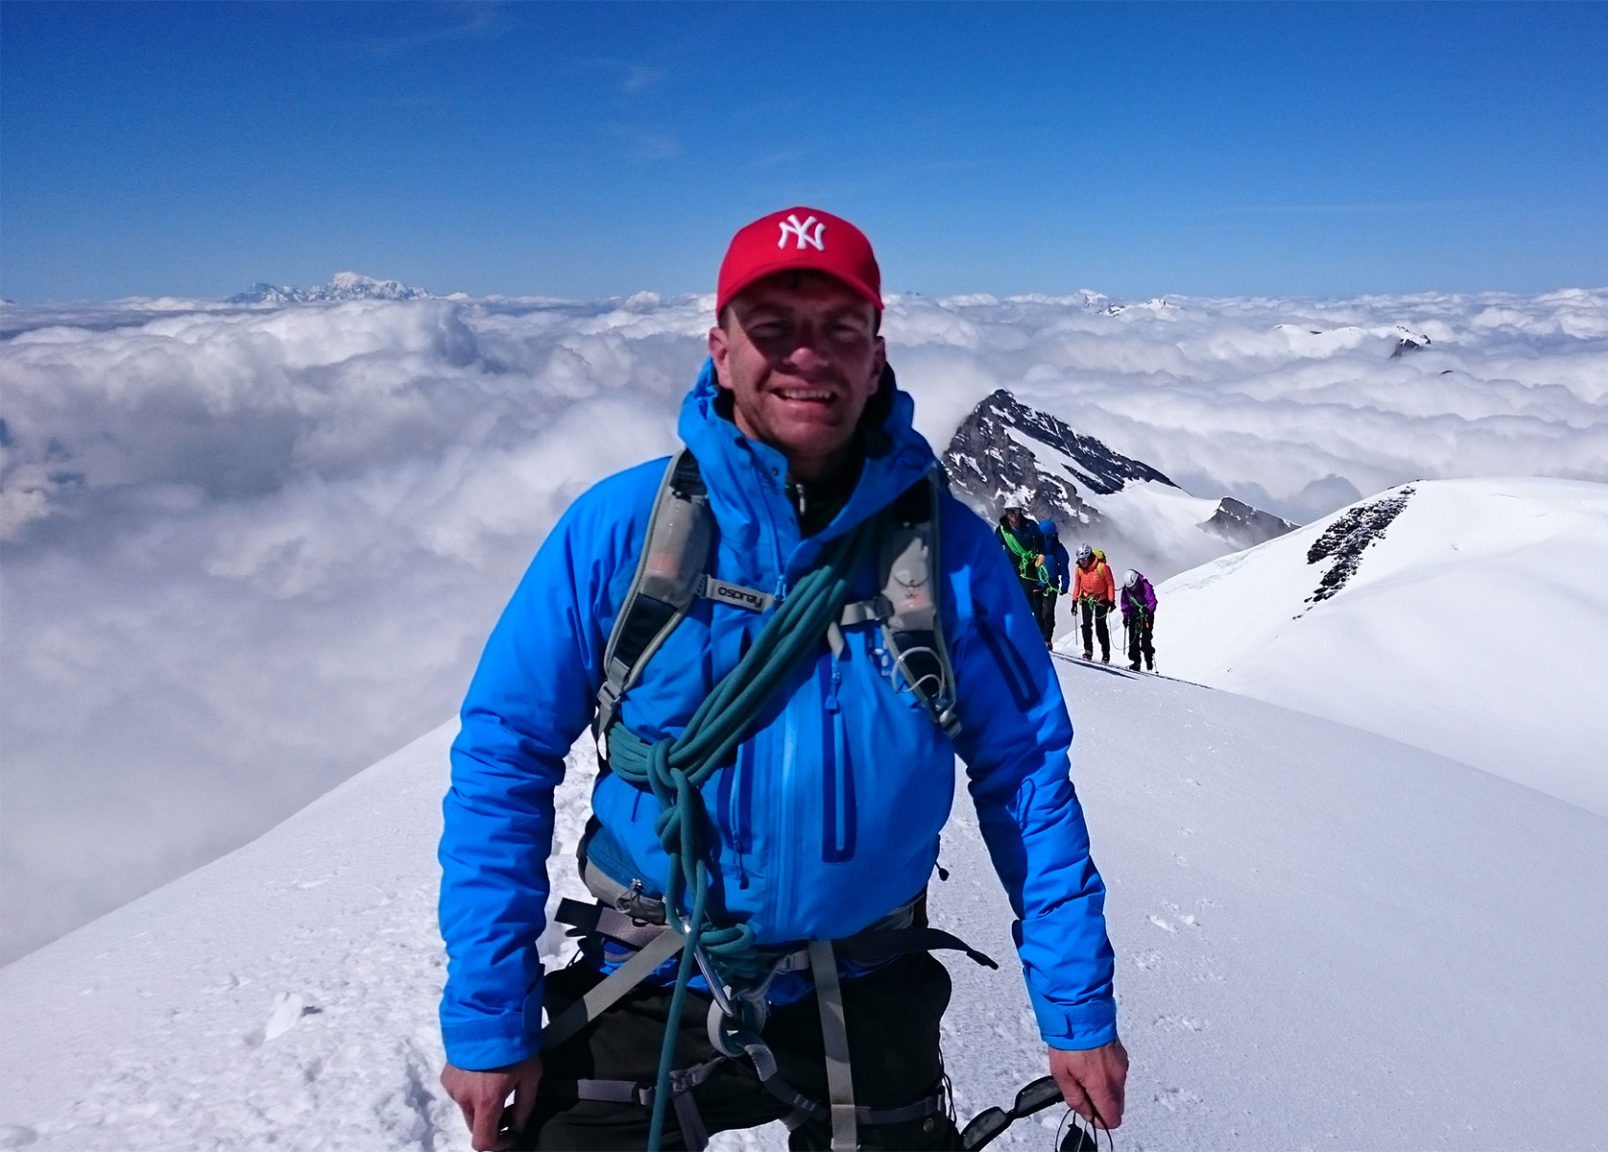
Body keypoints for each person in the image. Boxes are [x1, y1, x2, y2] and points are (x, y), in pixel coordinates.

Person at [438, 206, 1127, 1152]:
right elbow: (503, 757)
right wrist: (488, 1014)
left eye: (840, 328)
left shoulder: (953, 558)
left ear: (876, 355)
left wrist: (1076, 1005)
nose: (809, 354)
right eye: (775, 327)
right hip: (650, 971)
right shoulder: (621, 534)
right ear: (720, 351)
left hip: (866, 978)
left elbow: (1028, 778)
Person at [995, 507, 1055, 642]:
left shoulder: (1030, 526)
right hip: (1011, 568)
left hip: (1029, 569)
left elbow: (1041, 540)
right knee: (1012, 599)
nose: (1012, 515)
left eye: (1015, 511)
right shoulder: (1002, 530)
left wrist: (1041, 554)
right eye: (1009, 512)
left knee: (1029, 601)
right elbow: (995, 547)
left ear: (1020, 512)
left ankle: (1036, 635)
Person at [1070, 547, 1115, 663]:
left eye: (1084, 559)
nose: (1082, 562)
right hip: (1086, 597)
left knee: (1100, 627)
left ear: (1089, 557)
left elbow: (1110, 584)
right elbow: (1077, 585)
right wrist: (1074, 601)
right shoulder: (1079, 570)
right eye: (1080, 560)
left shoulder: (1102, 567)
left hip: (1102, 598)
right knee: (1086, 625)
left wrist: (1111, 600)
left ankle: (1105, 654)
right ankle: (1088, 650)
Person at [1035, 519, 1070, 648]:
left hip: (1051, 585)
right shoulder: (1036, 548)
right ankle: (1039, 636)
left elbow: (1064, 569)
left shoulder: (1058, 550)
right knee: (1037, 612)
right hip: (1036, 584)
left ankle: (1046, 638)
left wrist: (1065, 584)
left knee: (1047, 612)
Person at [1119, 570, 1156, 673]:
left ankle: (1149, 661)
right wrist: (1125, 617)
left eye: (1133, 586)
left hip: (1146, 615)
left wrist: (1148, 609)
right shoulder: (1126, 590)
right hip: (1134, 614)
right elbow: (1125, 603)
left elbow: (1152, 601)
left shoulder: (1145, 586)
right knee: (1133, 639)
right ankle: (1136, 662)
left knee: (1146, 638)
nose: (1132, 589)